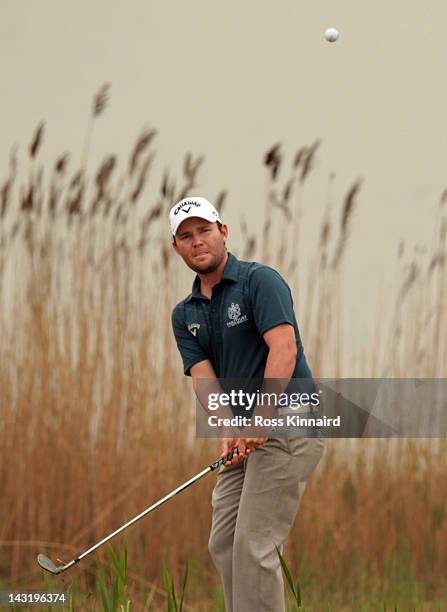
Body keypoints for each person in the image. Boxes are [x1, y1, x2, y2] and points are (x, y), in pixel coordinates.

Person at [170, 196, 325, 612]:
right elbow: (204, 378)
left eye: (204, 230)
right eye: (186, 236)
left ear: (223, 232)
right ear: (176, 248)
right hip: (247, 438)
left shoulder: (260, 281)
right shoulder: (184, 314)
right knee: (224, 542)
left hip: (290, 422)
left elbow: (284, 350)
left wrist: (261, 415)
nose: (197, 241)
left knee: (254, 543)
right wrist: (226, 426)